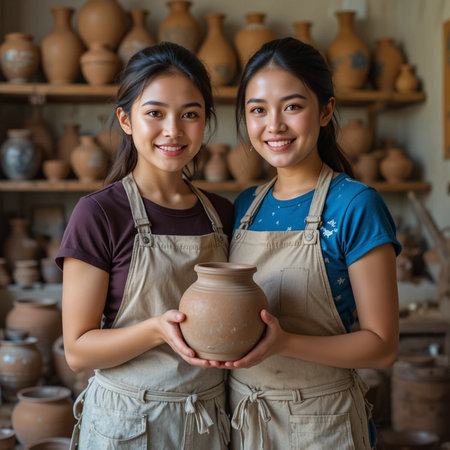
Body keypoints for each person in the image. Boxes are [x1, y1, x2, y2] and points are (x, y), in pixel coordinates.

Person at [223, 37, 401, 449]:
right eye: (257, 110)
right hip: (245, 424)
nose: (274, 125)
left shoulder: (356, 204)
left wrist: (284, 343)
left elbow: (382, 347)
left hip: (322, 426)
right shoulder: (246, 204)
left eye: (292, 106)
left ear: (325, 111)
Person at [56, 42, 233, 449]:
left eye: (190, 114)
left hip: (207, 420)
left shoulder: (222, 214)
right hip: (128, 422)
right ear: (126, 119)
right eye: (155, 113)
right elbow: (79, 351)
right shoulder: (99, 213)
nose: (173, 130)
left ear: (205, 122)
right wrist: (157, 330)